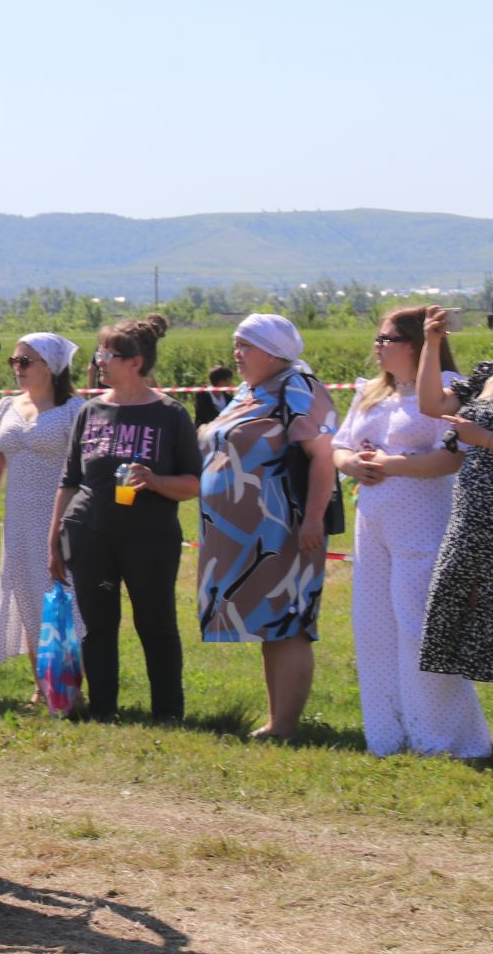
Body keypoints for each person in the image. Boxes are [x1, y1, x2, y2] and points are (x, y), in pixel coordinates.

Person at [334, 307, 490, 758]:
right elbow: (339, 444)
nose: (377, 346)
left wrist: (387, 464)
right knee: (374, 627)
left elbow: (452, 457)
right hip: (372, 525)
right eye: (377, 338)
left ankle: (447, 740)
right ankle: (389, 736)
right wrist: (351, 464)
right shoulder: (370, 393)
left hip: (424, 524)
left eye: (386, 339)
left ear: (415, 345)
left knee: (420, 630)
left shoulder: (446, 389)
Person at [49, 315, 200, 723]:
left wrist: (154, 480)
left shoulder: (170, 414)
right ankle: (103, 710)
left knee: (156, 625)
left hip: (149, 540)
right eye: (98, 353)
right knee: (98, 627)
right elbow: (69, 480)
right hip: (90, 536)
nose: (98, 361)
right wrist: (54, 540)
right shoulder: (91, 411)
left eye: (106, 354)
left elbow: (193, 483)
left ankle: (168, 712)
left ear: (135, 362)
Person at [197, 313, 337, 740]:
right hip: (243, 535)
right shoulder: (248, 391)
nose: (236, 354)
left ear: (275, 351)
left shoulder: (298, 388)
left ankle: (287, 725)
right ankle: (277, 721)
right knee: (268, 624)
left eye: (246, 346)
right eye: (235, 344)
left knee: (289, 622)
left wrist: (313, 517)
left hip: (283, 529)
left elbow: (322, 456)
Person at [0, 333, 85, 689]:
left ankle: (70, 684)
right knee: (25, 597)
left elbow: (84, 470)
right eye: (14, 361)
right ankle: (43, 685)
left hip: (59, 519)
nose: (17, 368)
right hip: (19, 520)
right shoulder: (6, 407)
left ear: (51, 367)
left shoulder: (74, 410)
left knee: (63, 601)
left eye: (25, 361)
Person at [415, 300, 493, 691]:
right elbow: (431, 404)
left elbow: (476, 436)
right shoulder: (489, 374)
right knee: (469, 618)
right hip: (471, 520)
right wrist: (431, 345)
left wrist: (481, 438)